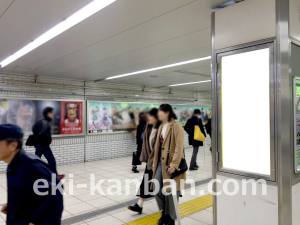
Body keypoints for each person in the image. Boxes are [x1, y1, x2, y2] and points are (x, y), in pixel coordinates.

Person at [0, 124, 63, 225]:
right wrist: (14, 204)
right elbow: (28, 192)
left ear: (13, 145)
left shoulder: (31, 165)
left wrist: (37, 221)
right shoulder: (13, 164)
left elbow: (56, 190)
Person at [152, 104, 186, 225]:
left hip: (171, 163)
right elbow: (157, 146)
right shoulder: (161, 126)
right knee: (156, 188)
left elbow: (179, 146)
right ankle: (164, 212)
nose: (158, 114)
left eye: (160, 112)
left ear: (167, 113)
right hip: (161, 163)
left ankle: (170, 218)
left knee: (171, 191)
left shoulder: (176, 126)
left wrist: (174, 164)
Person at [128, 108, 161, 214]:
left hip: (160, 162)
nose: (148, 118)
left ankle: (166, 209)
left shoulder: (162, 129)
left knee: (160, 186)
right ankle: (139, 205)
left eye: (150, 116)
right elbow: (146, 144)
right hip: (151, 161)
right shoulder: (149, 128)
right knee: (146, 182)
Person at [33, 107, 65, 179]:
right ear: (48, 113)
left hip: (37, 145)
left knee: (36, 160)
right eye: (51, 113)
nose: (52, 115)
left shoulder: (39, 121)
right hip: (43, 145)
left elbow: (34, 130)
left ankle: (33, 175)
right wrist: (48, 141)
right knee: (51, 160)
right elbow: (43, 134)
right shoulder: (45, 122)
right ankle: (55, 176)